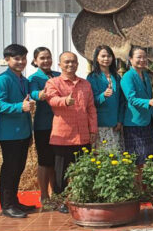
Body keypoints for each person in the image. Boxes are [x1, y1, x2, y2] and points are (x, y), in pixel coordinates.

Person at [42, 52, 98, 212]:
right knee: (60, 173)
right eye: (66, 62)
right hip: (63, 136)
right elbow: (51, 99)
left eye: (73, 62)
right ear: (59, 65)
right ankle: (60, 201)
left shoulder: (85, 84)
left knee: (84, 170)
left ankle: (83, 198)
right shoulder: (53, 82)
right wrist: (64, 101)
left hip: (83, 135)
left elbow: (91, 108)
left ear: (77, 64)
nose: (70, 64)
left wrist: (93, 129)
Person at [0, 44, 35, 218]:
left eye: (23, 58)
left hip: (23, 132)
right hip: (10, 134)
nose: (21, 62)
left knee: (18, 169)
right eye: (16, 59)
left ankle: (14, 201)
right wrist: (20, 107)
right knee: (9, 170)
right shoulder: (2, 80)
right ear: (7, 60)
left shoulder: (24, 80)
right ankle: (7, 205)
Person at [28, 47, 59, 206]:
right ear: (35, 61)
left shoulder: (59, 75)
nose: (46, 61)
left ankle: (56, 194)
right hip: (44, 125)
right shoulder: (34, 78)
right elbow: (33, 93)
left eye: (48, 57)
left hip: (60, 125)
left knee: (56, 162)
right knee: (45, 161)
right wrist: (40, 95)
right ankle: (44, 196)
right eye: (42, 58)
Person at [121, 46, 153, 164]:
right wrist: (148, 102)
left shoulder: (146, 75)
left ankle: (146, 177)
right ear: (130, 59)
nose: (142, 60)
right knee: (138, 157)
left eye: (144, 57)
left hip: (148, 121)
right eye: (139, 57)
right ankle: (137, 177)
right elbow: (131, 99)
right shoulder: (128, 76)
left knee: (150, 156)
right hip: (134, 123)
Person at [87, 45, 125, 152]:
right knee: (102, 156)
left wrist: (120, 120)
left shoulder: (116, 77)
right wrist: (103, 95)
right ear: (97, 58)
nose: (106, 59)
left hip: (115, 124)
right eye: (103, 56)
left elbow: (122, 101)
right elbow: (90, 101)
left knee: (116, 155)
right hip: (100, 124)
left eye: (109, 56)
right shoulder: (92, 77)